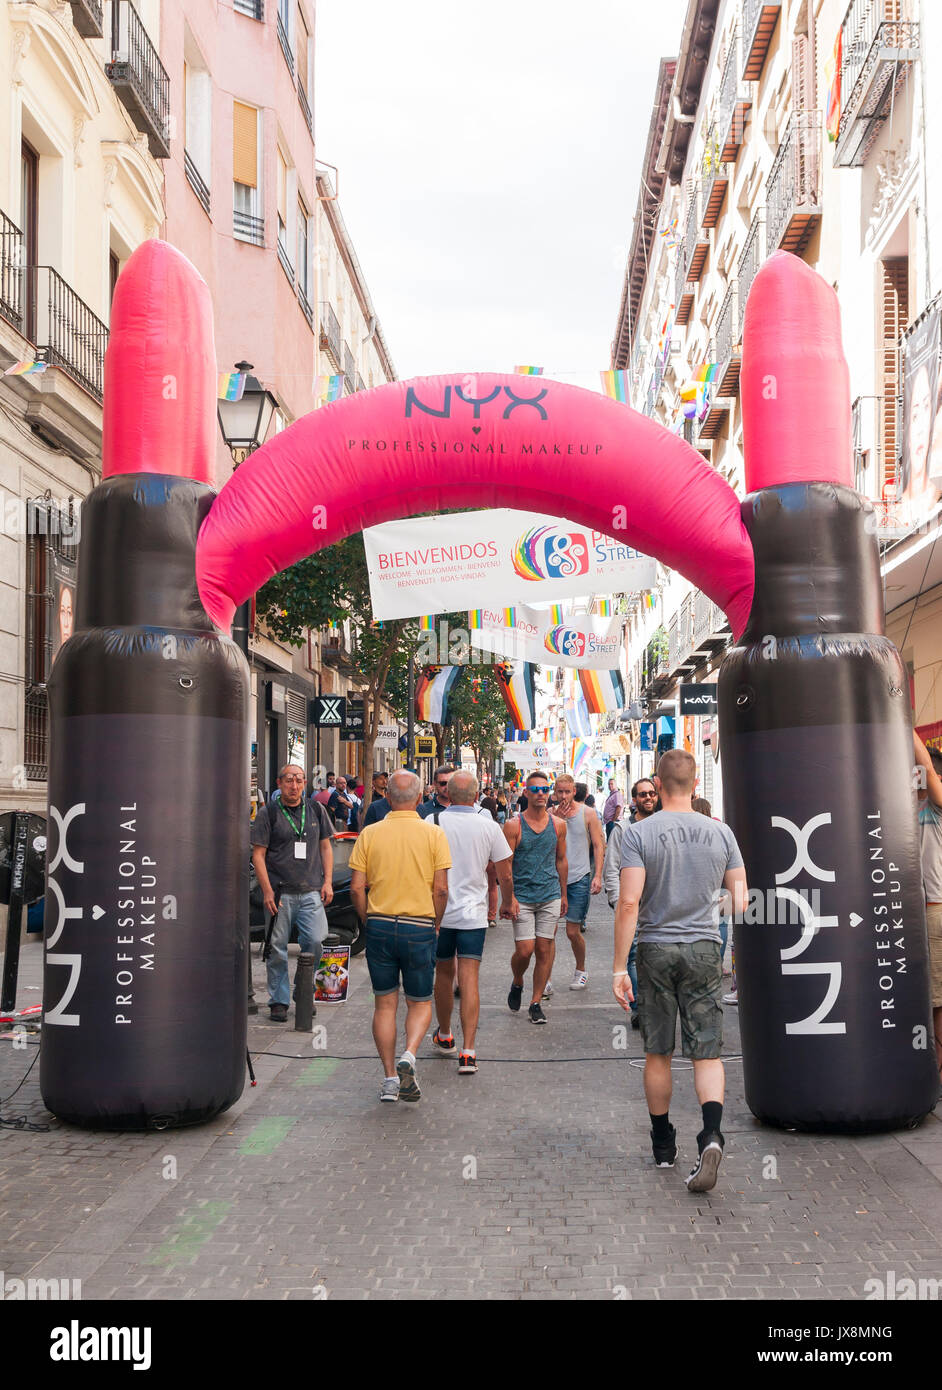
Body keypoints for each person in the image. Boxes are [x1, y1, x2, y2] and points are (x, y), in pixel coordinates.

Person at [614, 748, 747, 1193]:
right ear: (695, 784)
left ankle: (662, 1142)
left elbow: (629, 902)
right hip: (705, 948)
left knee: (658, 1051)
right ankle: (711, 1134)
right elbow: (741, 902)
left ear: (658, 781)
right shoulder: (721, 833)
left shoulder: (639, 833)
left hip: (654, 948)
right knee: (707, 1051)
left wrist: (618, 967)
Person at [349, 770, 451, 1103]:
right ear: (420, 798)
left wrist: (369, 919)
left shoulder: (370, 834)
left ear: (387, 798)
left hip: (380, 924)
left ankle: (390, 1078)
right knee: (420, 1002)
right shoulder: (434, 835)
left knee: (384, 1003)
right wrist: (435, 922)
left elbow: (356, 887)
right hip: (419, 925)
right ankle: (410, 1053)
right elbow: (441, 888)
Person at [431, 771, 515, 1073]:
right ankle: (469, 1051)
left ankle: (445, 1035)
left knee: (443, 975)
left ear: (448, 795)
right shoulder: (489, 826)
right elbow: (504, 873)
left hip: (439, 913)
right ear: (477, 795)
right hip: (473, 915)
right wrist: (507, 902)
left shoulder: (432, 823)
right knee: (469, 978)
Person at [251, 764, 334, 1023]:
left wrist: (328, 881)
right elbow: (258, 854)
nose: (294, 785)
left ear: (305, 783)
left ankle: (304, 991)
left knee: (316, 942)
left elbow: (326, 847)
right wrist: (266, 890)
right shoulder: (268, 813)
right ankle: (278, 1000)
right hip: (279, 894)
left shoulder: (316, 810)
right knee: (277, 949)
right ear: (279, 783)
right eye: (289, 780)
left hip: (310, 891)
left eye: (299, 780)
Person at [501, 770, 568, 1024]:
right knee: (524, 950)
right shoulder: (513, 825)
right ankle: (518, 981)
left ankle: (536, 1001)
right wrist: (510, 898)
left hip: (550, 894)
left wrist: (564, 894)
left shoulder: (558, 825)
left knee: (544, 948)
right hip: (523, 896)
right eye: (535, 789)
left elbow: (561, 860)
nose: (541, 794)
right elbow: (505, 864)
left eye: (544, 789)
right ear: (526, 792)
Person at [604, 776, 659, 1030]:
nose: (648, 798)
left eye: (652, 793)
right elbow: (612, 868)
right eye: (643, 794)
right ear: (634, 800)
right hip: (631, 905)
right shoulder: (622, 830)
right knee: (633, 955)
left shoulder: (662, 826)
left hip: (659, 906)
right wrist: (617, 901)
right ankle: (640, 1008)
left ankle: (653, 1004)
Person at [553, 772, 605, 989]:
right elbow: (548, 845)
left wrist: (598, 875)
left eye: (567, 791)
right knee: (549, 932)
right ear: (554, 793)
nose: (564, 796)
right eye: (560, 791)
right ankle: (545, 977)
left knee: (572, 931)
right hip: (553, 879)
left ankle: (581, 969)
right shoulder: (549, 814)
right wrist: (558, 820)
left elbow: (598, 844)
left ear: (574, 792)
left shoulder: (588, 813)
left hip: (579, 877)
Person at [913, 730, 942, 1082]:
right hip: (924, 912)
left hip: (936, 911)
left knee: (937, 1000)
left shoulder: (936, 803)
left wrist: (909, 731)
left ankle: (935, 1072)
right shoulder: (916, 808)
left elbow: (931, 775)